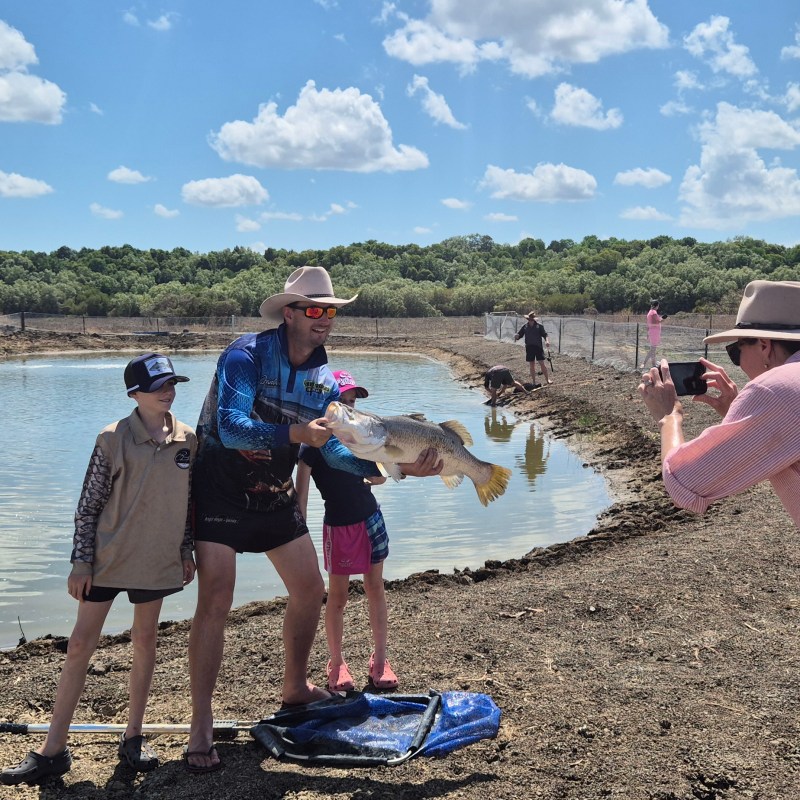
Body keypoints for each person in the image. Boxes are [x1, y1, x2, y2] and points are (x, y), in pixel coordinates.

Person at [185, 267, 443, 773]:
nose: (325, 319)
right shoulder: (245, 355)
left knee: (309, 590)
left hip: (274, 494)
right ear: (290, 313)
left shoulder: (324, 379)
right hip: (218, 489)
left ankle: (296, 685)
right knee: (216, 600)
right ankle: (200, 722)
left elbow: (334, 455)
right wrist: (299, 435)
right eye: (316, 310)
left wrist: (397, 468)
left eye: (332, 311)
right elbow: (234, 429)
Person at [1, 353, 196, 786]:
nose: (169, 391)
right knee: (79, 646)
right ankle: (53, 750)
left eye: (172, 383)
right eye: (159, 385)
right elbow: (87, 507)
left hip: (157, 560)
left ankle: (134, 737)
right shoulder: (111, 438)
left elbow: (187, 506)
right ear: (134, 394)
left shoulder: (187, 440)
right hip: (105, 560)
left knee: (146, 641)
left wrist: (185, 550)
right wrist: (80, 561)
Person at [638, 280, 800, 527]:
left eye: (736, 351)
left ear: (764, 346)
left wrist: (668, 416)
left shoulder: (775, 389)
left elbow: (685, 483)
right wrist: (739, 415)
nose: (739, 361)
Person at [295, 369, 407, 692]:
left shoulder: (361, 439)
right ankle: (337, 662)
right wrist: (300, 537)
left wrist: (377, 460)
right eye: (342, 401)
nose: (348, 408)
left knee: (375, 587)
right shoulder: (313, 444)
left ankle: (381, 659)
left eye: (352, 403)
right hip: (339, 527)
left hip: (370, 518)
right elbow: (300, 495)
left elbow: (382, 476)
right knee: (338, 597)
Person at [515, 312, 552, 385]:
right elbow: (519, 335)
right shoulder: (525, 327)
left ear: (534, 320)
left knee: (542, 363)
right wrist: (517, 336)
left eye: (531, 319)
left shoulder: (539, 326)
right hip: (529, 347)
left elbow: (545, 335)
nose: (530, 321)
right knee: (532, 365)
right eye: (529, 319)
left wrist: (547, 341)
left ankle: (547, 380)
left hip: (538, 347)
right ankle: (534, 382)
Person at [640, 300, 668, 370]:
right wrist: (664, 318)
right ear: (657, 306)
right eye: (658, 306)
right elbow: (658, 321)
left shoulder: (649, 313)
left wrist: (647, 333)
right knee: (653, 349)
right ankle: (646, 363)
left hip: (651, 332)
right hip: (654, 332)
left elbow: (651, 322)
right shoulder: (654, 312)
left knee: (652, 349)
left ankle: (652, 363)